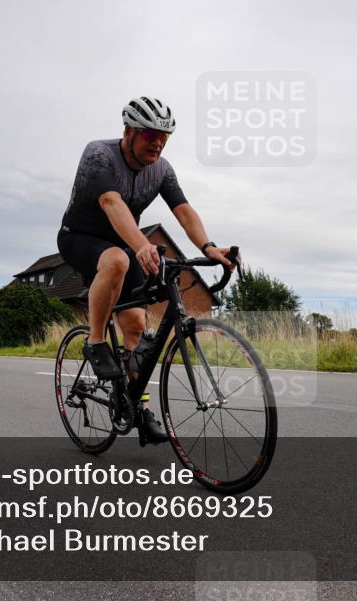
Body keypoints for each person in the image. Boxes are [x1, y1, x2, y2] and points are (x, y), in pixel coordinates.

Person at [58, 97, 234, 445]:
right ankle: (95, 342)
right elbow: (111, 202)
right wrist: (141, 245)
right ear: (128, 131)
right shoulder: (99, 154)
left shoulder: (162, 169)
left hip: (126, 241)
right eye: (150, 135)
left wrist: (209, 247)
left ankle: (136, 406)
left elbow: (183, 210)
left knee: (137, 325)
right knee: (117, 260)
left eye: (164, 137)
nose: (158, 143)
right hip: (80, 237)